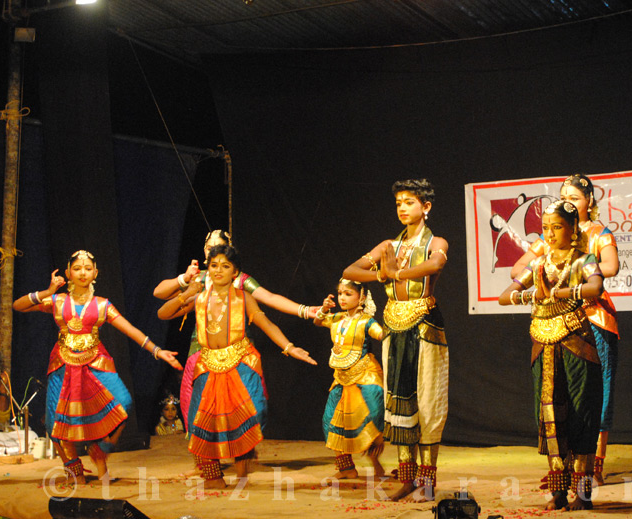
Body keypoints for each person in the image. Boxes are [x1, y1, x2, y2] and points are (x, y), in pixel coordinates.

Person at [12, 250, 182, 483]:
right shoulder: (58, 301)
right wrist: (48, 292)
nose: (83, 272)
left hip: (95, 362)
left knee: (123, 402)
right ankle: (74, 471)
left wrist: (157, 351)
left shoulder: (102, 305)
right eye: (77, 268)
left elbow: (130, 330)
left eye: (88, 268)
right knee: (56, 421)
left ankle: (102, 450)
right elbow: (18, 305)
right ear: (68, 273)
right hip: (62, 364)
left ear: (96, 273)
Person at [158, 244, 317, 488]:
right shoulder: (199, 298)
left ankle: (243, 456)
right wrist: (186, 293)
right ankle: (213, 475)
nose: (218, 270)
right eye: (214, 265)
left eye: (225, 266)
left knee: (254, 411)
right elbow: (163, 313)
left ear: (235, 272)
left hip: (240, 360)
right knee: (202, 420)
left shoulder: (244, 297)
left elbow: (266, 324)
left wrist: (290, 347)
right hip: (208, 362)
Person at [342, 178, 449, 502]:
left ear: (426, 207)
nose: (402, 208)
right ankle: (407, 478)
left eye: (409, 202)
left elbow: (436, 263)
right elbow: (351, 270)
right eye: (399, 203)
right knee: (399, 399)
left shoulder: (435, 242)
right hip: (394, 325)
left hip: (424, 324)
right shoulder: (388, 245)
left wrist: (397, 273)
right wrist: (380, 274)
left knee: (427, 400)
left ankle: (427, 481)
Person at [510, 174, 620, 484]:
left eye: (575, 197)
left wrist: (576, 271)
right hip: (553, 321)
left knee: (591, 394)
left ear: (590, 201)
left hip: (592, 317)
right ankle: (561, 468)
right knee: (553, 394)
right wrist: (539, 278)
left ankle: (593, 466)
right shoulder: (550, 234)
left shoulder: (598, 233)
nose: (569, 201)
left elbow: (610, 267)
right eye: (564, 196)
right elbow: (517, 269)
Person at [499, 200, 605, 510]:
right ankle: (558, 491)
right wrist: (534, 294)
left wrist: (557, 293)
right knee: (548, 413)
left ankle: (582, 493)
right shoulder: (538, 264)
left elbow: (595, 288)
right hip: (543, 343)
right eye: (545, 228)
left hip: (576, 342)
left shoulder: (583, 260)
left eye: (557, 227)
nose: (549, 233)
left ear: (572, 229)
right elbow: (505, 297)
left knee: (581, 411)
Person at [153, 229, 319, 424]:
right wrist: (185, 283)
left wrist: (299, 323)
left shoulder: (241, 288)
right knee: (201, 418)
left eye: (223, 261)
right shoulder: (199, 286)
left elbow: (268, 307)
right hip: (203, 356)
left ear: (233, 267)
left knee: (247, 414)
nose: (214, 256)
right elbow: (161, 304)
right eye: (209, 249)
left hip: (238, 357)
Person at [314, 279, 385, 479]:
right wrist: (323, 309)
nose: (342, 298)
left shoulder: (366, 321)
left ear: (361, 297)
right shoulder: (337, 318)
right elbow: (318, 321)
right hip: (341, 376)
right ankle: (346, 468)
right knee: (330, 421)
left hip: (365, 374)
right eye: (340, 294)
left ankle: (375, 462)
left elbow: (381, 335)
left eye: (348, 294)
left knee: (372, 416)